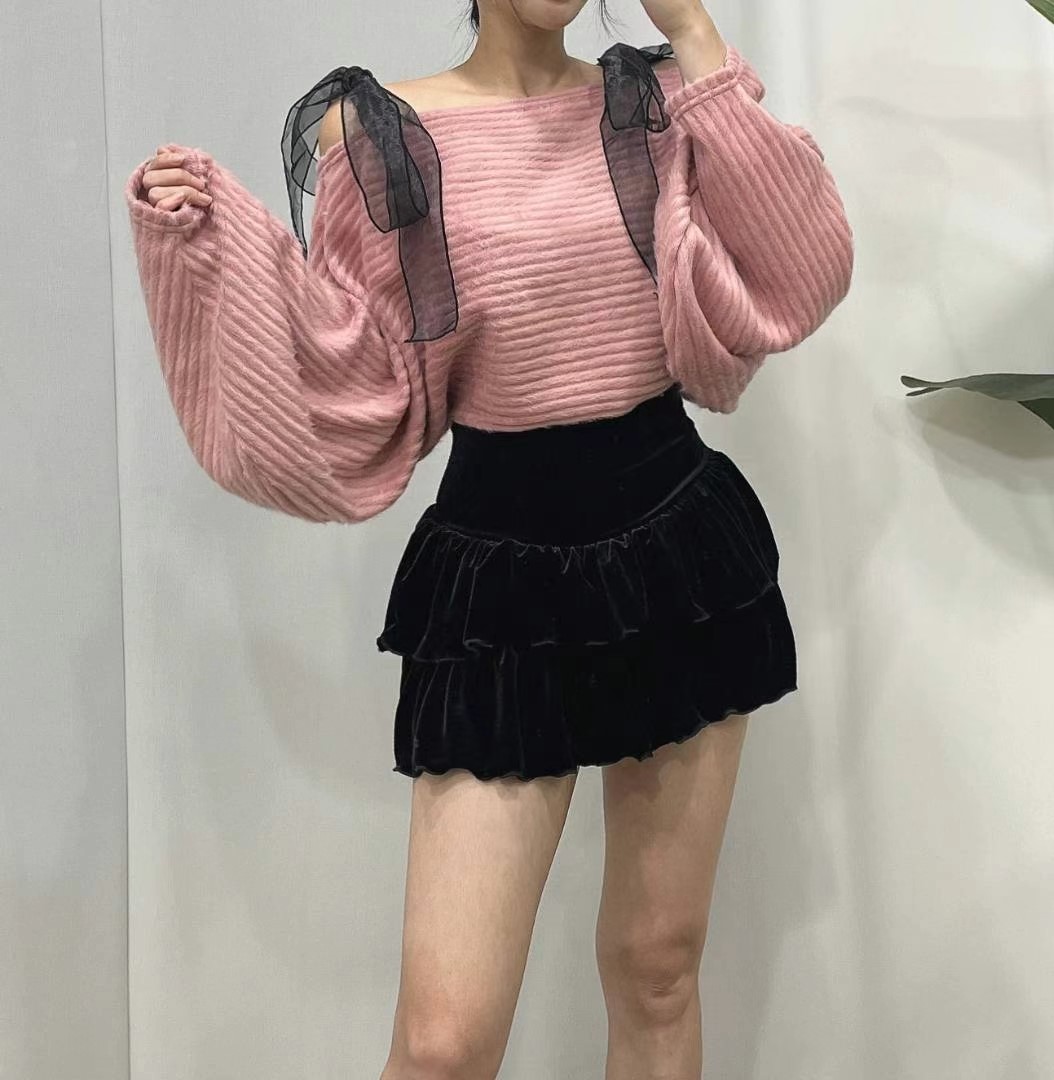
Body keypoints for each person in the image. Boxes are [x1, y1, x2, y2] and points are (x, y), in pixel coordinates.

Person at [124, 0, 853, 1075]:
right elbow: (360, 370)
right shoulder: (381, 133)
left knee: (657, 964)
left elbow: (803, 266)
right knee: (444, 1041)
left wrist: (697, 33)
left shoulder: (656, 102)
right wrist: (208, 242)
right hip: (499, 584)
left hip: (680, 555)